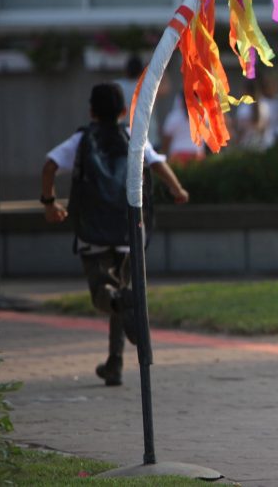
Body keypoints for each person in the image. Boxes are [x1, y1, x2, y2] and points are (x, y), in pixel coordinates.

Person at [41, 83, 190, 387]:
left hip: (93, 229)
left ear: (91, 111)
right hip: (127, 230)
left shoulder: (82, 139)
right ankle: (115, 362)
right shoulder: (132, 138)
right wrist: (177, 190)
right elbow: (158, 163)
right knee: (123, 293)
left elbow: (50, 166)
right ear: (124, 112)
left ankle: (117, 347)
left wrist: (49, 202)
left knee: (104, 296)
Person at [235, 75, 278, 150]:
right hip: (266, 145)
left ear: (246, 91)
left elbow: (242, 129)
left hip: (249, 146)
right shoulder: (265, 104)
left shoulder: (245, 106)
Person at [161, 99, 206, 166]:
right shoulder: (203, 115)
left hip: (177, 156)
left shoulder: (173, 117)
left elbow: (166, 140)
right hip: (196, 155)